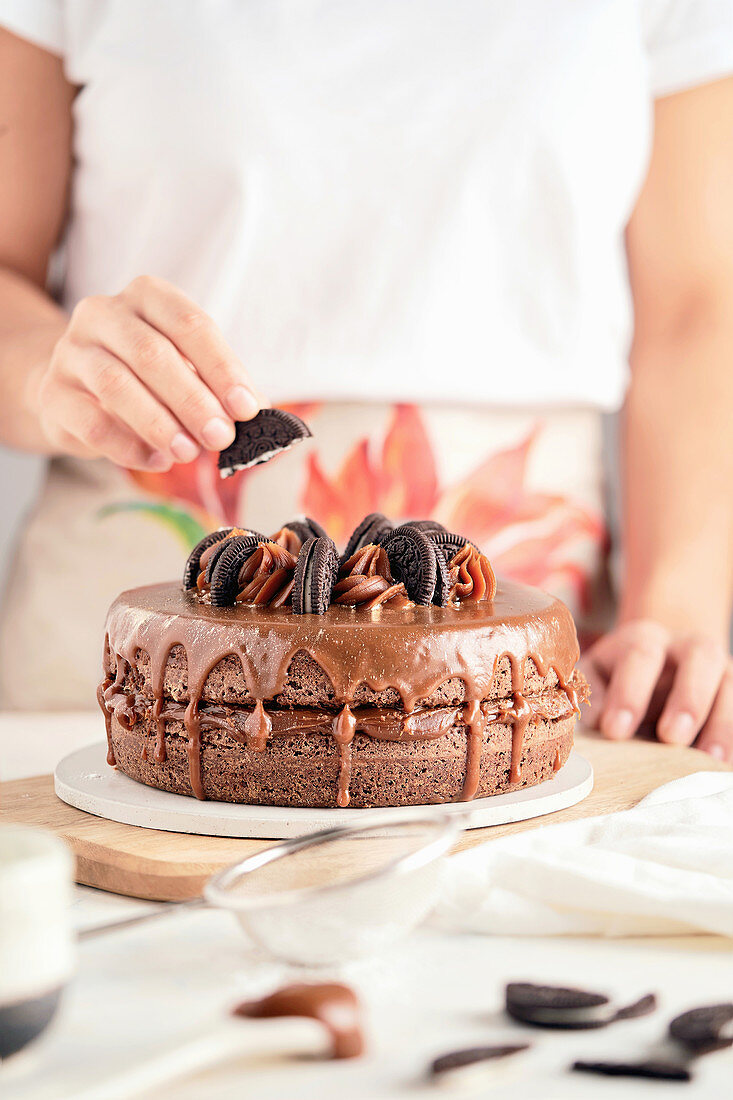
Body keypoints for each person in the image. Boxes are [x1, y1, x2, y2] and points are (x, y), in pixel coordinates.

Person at [0, 3, 731, 760]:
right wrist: (48, 378)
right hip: (116, 675)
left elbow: (696, 309)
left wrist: (673, 610)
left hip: (515, 670)